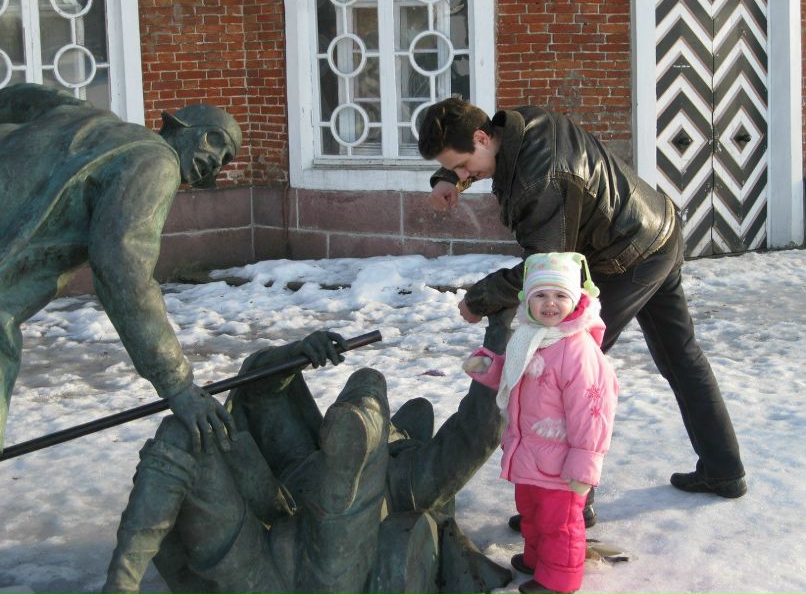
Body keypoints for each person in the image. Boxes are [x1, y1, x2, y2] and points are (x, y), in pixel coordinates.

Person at [417, 97, 746, 509]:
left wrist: (480, 298)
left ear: (483, 138)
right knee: (681, 356)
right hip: (656, 229)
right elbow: (476, 157)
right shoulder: (520, 123)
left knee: (565, 365)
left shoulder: (541, 180)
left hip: (627, 259)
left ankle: (570, 508)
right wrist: (448, 178)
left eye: (464, 166)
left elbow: (546, 269)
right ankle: (724, 469)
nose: (466, 175)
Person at [102, 326, 514, 594]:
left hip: (320, 563)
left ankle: (362, 420)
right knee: (188, 429)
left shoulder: (411, 475)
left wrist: (503, 328)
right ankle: (120, 584)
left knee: (351, 478)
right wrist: (296, 353)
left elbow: (475, 434)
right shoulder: (307, 450)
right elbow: (258, 390)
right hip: (259, 554)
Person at [0, 82, 242, 454]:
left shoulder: (83, 115)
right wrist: (177, 384)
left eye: (225, 159)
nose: (217, 160)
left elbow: (16, 97)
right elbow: (123, 271)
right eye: (215, 141)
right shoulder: (155, 161)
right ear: (179, 127)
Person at [463, 252, 618, 594]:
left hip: (563, 463)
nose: (550, 303)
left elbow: (593, 412)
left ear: (576, 299)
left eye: (560, 295)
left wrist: (584, 463)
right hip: (531, 453)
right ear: (527, 300)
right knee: (532, 514)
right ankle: (537, 560)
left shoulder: (578, 351)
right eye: (541, 295)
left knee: (559, 523)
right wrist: (491, 368)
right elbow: (518, 377)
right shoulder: (530, 337)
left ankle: (560, 579)